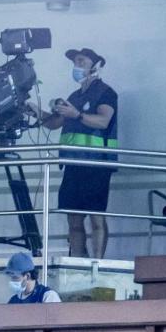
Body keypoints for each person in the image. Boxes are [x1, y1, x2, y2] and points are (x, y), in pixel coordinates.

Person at [37, 47, 118, 258]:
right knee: (73, 218)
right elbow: (55, 123)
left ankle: (98, 264)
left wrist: (77, 114)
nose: (77, 66)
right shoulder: (74, 96)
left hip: (96, 163)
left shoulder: (106, 92)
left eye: (82, 62)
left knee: (96, 218)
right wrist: (36, 112)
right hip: (73, 164)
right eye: (75, 62)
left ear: (95, 66)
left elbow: (103, 120)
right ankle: (78, 262)